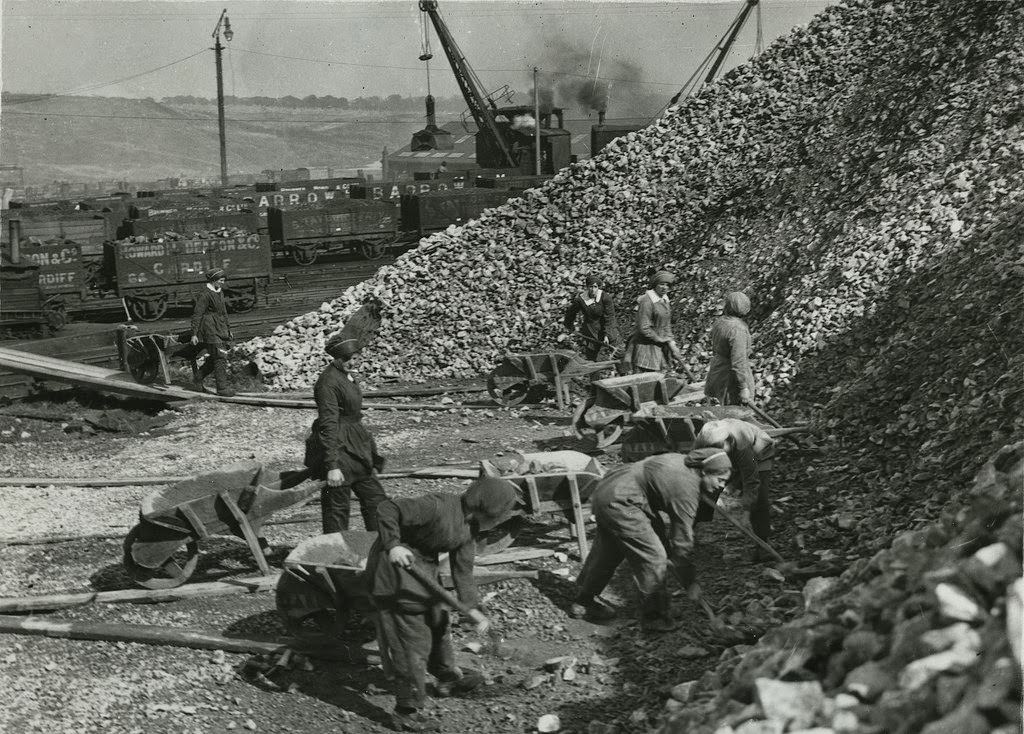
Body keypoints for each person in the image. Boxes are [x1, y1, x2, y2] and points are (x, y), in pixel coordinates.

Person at [367, 478, 518, 732]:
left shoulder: (470, 526)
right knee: (412, 641)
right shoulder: (436, 506)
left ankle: (446, 678)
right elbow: (387, 508)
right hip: (394, 571)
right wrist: (393, 544)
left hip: (423, 570)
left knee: (439, 622)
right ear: (487, 507)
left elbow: (463, 570)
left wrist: (471, 607)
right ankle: (406, 710)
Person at [570, 448, 732, 632]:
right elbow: (681, 542)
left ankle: (583, 602)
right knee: (654, 556)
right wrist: (691, 583)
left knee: (609, 551)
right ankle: (654, 617)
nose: (721, 486)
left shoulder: (685, 463)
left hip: (611, 490)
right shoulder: (686, 488)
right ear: (705, 472)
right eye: (720, 480)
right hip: (623, 500)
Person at [304, 333, 387, 533]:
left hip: (356, 445)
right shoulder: (328, 383)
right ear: (341, 357)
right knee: (337, 507)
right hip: (339, 448)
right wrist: (331, 465)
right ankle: (335, 558)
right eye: (352, 357)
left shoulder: (347, 376)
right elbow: (328, 423)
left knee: (377, 500)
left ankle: (378, 547)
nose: (357, 360)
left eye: (357, 356)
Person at [694, 418, 776, 548]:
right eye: (712, 450)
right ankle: (690, 531)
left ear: (729, 441)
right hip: (732, 456)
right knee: (707, 488)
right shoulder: (703, 439)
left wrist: (746, 513)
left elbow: (751, 480)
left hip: (759, 454)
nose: (716, 452)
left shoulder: (742, 446)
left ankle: (763, 543)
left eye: (719, 449)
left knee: (760, 498)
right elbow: (695, 462)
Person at [625, 270, 686, 373]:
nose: (664, 288)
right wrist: (660, 339)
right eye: (661, 284)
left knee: (661, 377)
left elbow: (666, 325)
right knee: (645, 380)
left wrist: (672, 344)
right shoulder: (647, 301)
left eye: (667, 285)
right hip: (645, 346)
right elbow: (643, 327)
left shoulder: (665, 300)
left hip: (659, 346)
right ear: (655, 285)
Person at [190, 267, 235, 397]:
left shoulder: (219, 292)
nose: (223, 282)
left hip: (220, 327)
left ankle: (198, 377)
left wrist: (228, 329)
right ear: (214, 280)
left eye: (223, 280)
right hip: (209, 328)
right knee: (220, 357)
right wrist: (194, 333)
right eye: (221, 280)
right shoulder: (205, 294)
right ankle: (222, 389)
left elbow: (224, 312)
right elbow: (197, 314)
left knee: (217, 356)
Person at [705, 291, 756, 405]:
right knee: (735, 415)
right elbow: (738, 361)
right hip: (730, 380)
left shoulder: (720, 322)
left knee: (718, 412)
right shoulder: (738, 329)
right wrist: (743, 387)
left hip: (717, 371)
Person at [563, 274, 622, 360]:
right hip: (591, 330)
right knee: (592, 357)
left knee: (618, 352)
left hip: (608, 327)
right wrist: (569, 326)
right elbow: (570, 313)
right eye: (591, 287)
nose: (593, 290)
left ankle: (625, 372)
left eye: (595, 287)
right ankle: (594, 372)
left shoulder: (605, 298)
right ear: (587, 287)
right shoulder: (581, 300)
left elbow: (609, 317)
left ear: (598, 287)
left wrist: (607, 335)